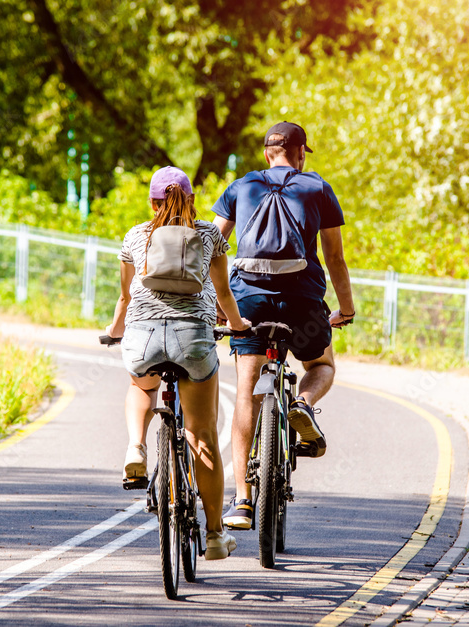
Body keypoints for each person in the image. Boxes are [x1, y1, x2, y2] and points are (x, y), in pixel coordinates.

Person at [211, 122, 355, 530]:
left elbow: (213, 247)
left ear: (266, 154)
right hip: (302, 303)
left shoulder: (240, 187)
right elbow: (335, 258)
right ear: (301, 152)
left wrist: (220, 305)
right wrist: (346, 309)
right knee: (321, 365)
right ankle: (302, 406)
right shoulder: (317, 188)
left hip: (249, 302)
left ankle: (241, 500)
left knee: (245, 394)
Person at [106, 166, 251, 559]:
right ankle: (216, 535)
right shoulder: (209, 235)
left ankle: (136, 446)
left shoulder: (136, 235)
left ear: (151, 201)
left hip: (144, 337)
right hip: (193, 339)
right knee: (202, 434)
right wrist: (238, 326)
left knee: (141, 384)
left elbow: (125, 299)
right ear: (191, 199)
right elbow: (223, 293)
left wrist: (115, 331)